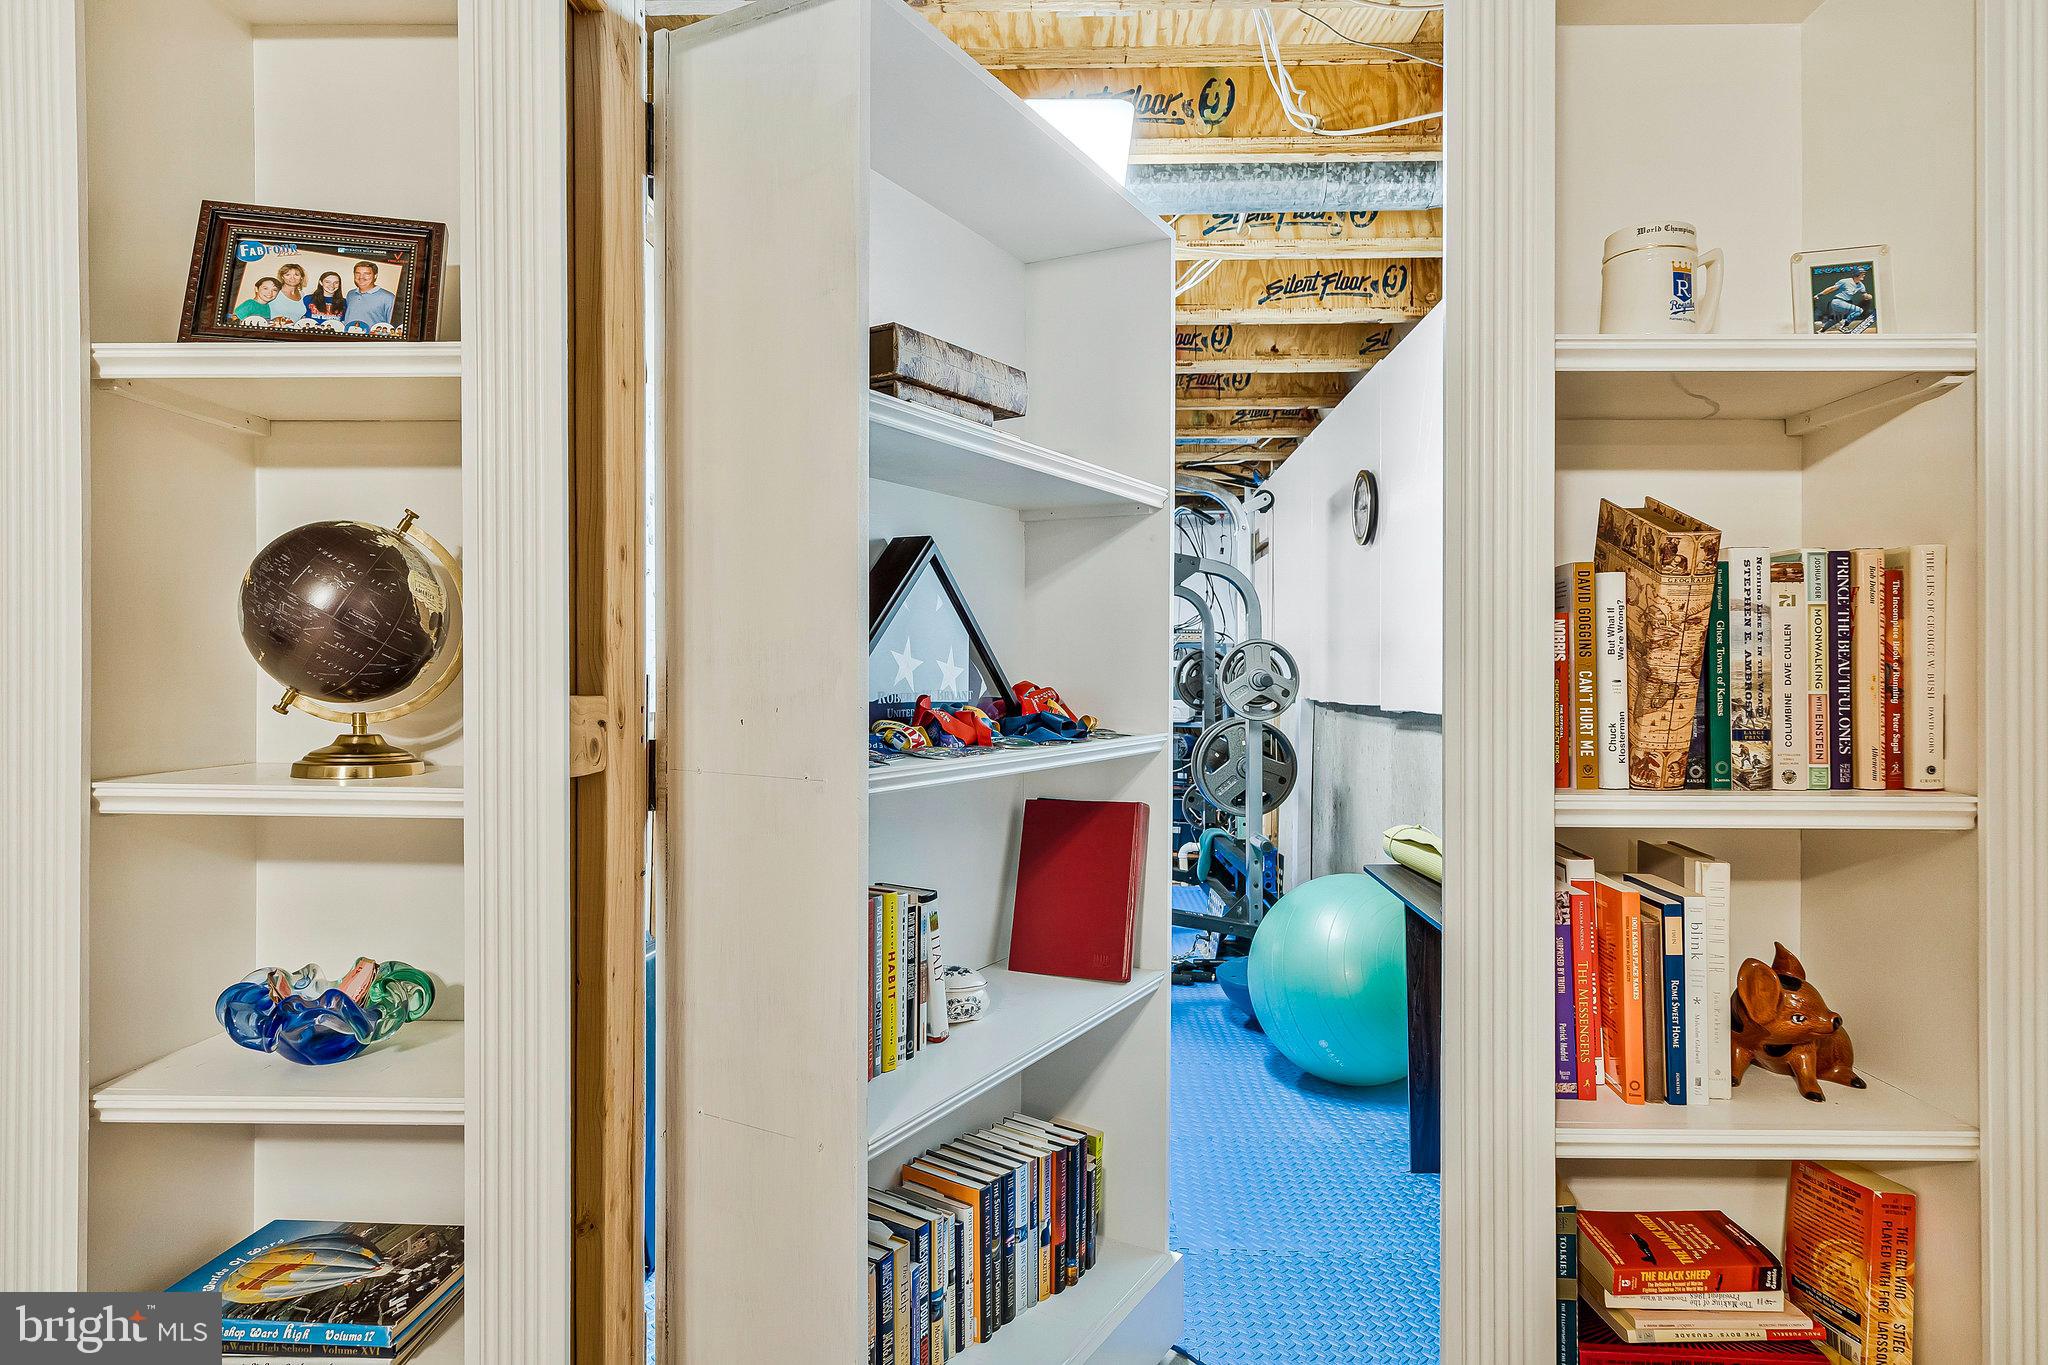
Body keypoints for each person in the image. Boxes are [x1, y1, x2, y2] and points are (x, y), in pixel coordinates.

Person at [343, 260, 396, 333]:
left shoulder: (388, 297)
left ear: (375, 276)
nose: (361, 277)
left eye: (367, 274)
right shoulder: (350, 294)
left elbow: (392, 326)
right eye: (357, 273)